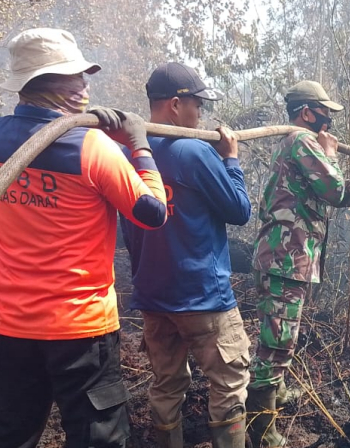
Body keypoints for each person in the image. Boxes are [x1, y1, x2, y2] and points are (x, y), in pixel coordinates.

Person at [0, 28, 167, 447]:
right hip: (80, 328)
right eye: (74, 76)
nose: (85, 84)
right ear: (44, 82)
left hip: (12, 325)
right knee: (99, 439)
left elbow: (41, 145)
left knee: (7, 436)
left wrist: (94, 134)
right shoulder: (92, 148)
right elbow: (153, 213)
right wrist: (138, 145)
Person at [113, 62, 252, 448]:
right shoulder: (194, 151)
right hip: (203, 296)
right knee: (229, 381)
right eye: (197, 105)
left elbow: (128, 229)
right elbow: (240, 210)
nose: (200, 114)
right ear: (175, 105)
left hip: (153, 296)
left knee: (166, 383)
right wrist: (230, 158)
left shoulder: (127, 154)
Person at [248, 80, 350, 448]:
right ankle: (261, 429)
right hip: (284, 258)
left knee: (281, 335)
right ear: (307, 112)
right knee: (276, 341)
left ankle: (275, 392)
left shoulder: (296, 142)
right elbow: (333, 189)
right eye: (324, 112)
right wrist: (331, 154)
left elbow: (335, 193)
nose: (328, 120)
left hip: (287, 257)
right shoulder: (302, 140)